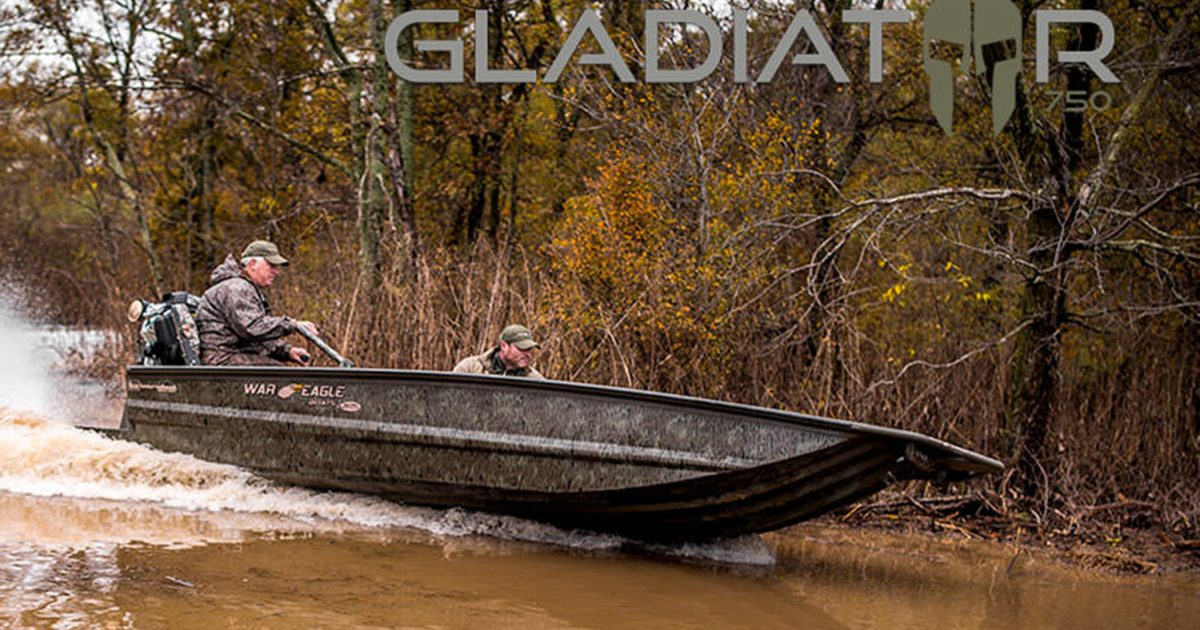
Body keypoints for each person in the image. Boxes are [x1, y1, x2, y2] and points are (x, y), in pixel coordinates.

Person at [195, 240, 317, 366]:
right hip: (221, 359)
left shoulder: (242, 287)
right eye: (271, 265)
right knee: (279, 374)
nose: (276, 272)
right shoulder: (237, 287)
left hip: (231, 355)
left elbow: (256, 338)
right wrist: (293, 325)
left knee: (281, 373)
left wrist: (287, 351)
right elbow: (252, 328)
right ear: (253, 264)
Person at [453, 324, 545, 379]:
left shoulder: (535, 380)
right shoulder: (470, 368)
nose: (527, 354)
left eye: (529, 349)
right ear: (504, 346)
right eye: (521, 349)